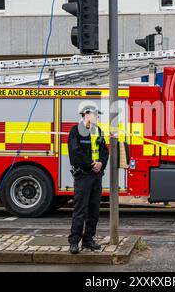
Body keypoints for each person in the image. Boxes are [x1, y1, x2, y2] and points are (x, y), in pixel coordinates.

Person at [67, 105, 109, 254]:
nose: (97, 117)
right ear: (86, 114)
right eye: (95, 114)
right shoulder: (75, 131)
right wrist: (92, 164)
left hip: (96, 176)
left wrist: (101, 163)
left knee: (94, 210)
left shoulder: (98, 131)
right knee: (80, 210)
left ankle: (88, 240)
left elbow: (104, 151)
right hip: (83, 175)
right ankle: (74, 242)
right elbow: (75, 153)